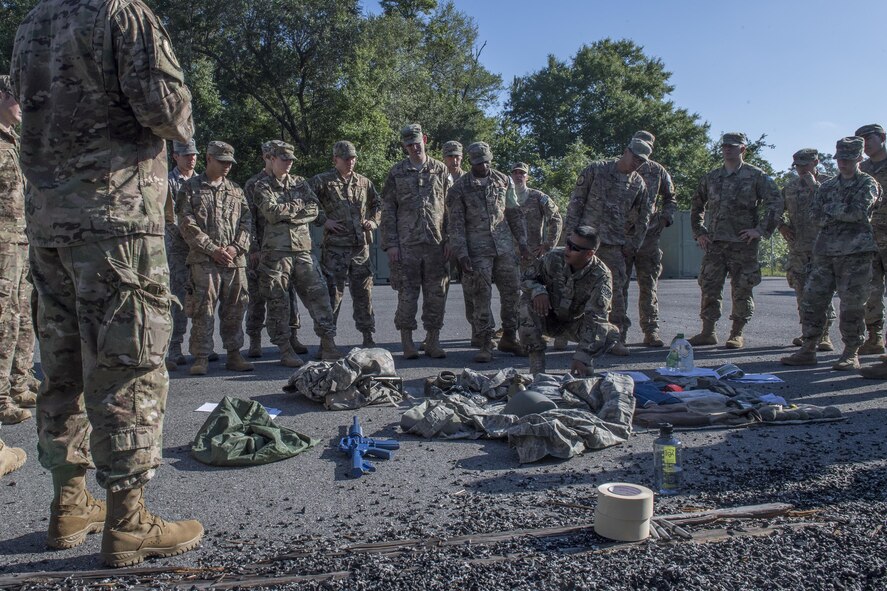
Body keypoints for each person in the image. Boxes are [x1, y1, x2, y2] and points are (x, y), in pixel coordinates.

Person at [11, 0, 203, 565]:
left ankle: (69, 504)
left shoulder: (32, 22)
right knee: (129, 366)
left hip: (49, 222)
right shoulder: (122, 13)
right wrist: (185, 121)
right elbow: (166, 109)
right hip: (116, 218)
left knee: (62, 364)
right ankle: (128, 520)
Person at [781, 137, 880, 370]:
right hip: (824, 252)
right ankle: (808, 348)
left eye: (847, 159)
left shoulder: (867, 183)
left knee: (852, 305)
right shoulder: (828, 186)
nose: (842, 163)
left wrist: (831, 211)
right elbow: (814, 216)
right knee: (812, 300)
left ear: (859, 158)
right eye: (839, 159)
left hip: (855, 254)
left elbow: (857, 212)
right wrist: (836, 211)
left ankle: (851, 351)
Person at [688, 132, 782, 349]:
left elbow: (775, 202)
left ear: (742, 149)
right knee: (709, 286)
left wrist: (760, 230)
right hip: (715, 243)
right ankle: (708, 331)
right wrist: (699, 232)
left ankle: (737, 333)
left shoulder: (756, 175)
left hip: (743, 244)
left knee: (742, 289)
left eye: (732, 146)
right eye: (724, 146)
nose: (727, 149)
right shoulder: (711, 177)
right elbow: (697, 205)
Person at [253, 142, 342, 365]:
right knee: (278, 302)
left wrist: (290, 212)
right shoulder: (261, 185)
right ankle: (285, 349)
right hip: (276, 253)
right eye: (284, 159)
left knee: (319, 296)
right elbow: (271, 214)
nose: (288, 163)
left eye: (291, 160)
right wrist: (297, 209)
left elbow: (314, 209)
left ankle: (328, 343)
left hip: (303, 250)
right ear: (272, 159)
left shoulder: (300, 182)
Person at [565, 137, 651, 356]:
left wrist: (633, 243)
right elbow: (576, 202)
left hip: (614, 244)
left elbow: (643, 218)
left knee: (616, 293)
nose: (636, 163)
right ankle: (563, 334)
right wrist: (570, 237)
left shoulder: (638, 183)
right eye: (635, 158)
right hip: (584, 242)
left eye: (641, 161)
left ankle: (616, 338)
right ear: (626, 151)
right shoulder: (596, 169)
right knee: (570, 287)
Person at [447, 142, 529, 362]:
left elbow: (513, 211)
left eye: (486, 161)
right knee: (480, 296)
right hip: (477, 250)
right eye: (478, 162)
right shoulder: (459, 189)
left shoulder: (503, 180)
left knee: (512, 293)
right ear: (470, 162)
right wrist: (462, 253)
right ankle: (485, 342)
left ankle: (510, 337)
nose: (483, 166)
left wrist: (521, 241)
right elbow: (455, 225)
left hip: (503, 247)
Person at [176, 141, 253, 375]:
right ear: (209, 159)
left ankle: (234, 354)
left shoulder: (236, 190)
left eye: (230, 162)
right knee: (202, 308)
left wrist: (235, 247)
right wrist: (212, 249)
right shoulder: (190, 188)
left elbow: (247, 223)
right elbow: (186, 224)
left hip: (233, 261)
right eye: (222, 162)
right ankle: (201, 357)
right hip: (204, 261)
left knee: (235, 308)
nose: (227, 166)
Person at [380, 124, 452, 359]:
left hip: (436, 244)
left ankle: (432, 340)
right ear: (404, 145)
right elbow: (388, 209)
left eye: (416, 142)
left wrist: (450, 239)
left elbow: (451, 207)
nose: (413, 147)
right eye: (408, 144)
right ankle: (407, 341)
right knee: (407, 295)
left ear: (425, 140)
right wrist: (391, 244)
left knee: (436, 295)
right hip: (407, 245)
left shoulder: (440, 170)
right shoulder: (396, 172)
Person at [519, 226, 619, 376]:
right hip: (548, 317)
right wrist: (538, 291)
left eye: (574, 248)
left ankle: (585, 366)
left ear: (589, 253)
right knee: (526, 302)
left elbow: (596, 317)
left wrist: (582, 356)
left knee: (610, 333)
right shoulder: (553, 258)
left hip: (575, 325)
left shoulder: (601, 276)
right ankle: (537, 367)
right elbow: (526, 278)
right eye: (567, 243)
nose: (567, 249)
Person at [310, 141, 380, 347]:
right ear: (335, 160)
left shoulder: (364, 182)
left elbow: (378, 203)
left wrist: (373, 221)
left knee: (364, 294)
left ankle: (368, 336)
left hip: (360, 249)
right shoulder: (322, 181)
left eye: (353, 158)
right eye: (346, 158)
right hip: (335, 249)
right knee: (332, 296)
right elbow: (306, 200)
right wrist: (323, 220)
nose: (351, 162)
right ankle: (327, 340)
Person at [243, 140, 309, 359]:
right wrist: (253, 249)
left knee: (287, 295)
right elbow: (248, 219)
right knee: (257, 297)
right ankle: (254, 339)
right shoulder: (254, 184)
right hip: (262, 248)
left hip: (285, 248)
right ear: (267, 158)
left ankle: (292, 336)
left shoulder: (292, 182)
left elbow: (310, 208)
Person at [0, 75, 36, 425]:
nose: (22, 106)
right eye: (17, 98)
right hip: (2, 246)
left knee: (22, 314)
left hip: (20, 242)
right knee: (3, 319)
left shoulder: (13, 142)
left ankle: (19, 382)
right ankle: (0, 400)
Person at [622, 131, 677, 347]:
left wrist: (665, 219)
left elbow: (670, 198)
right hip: (622, 237)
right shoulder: (620, 168)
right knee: (618, 286)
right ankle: (617, 332)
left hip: (648, 237)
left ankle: (651, 330)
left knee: (648, 285)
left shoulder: (658, 171)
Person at [779, 148, 834, 351]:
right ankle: (807, 333)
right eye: (798, 165)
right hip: (799, 249)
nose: (802, 169)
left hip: (824, 248)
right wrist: (782, 225)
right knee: (802, 292)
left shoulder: (830, 183)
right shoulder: (791, 187)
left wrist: (814, 186)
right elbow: (775, 209)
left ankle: (825, 336)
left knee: (823, 292)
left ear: (816, 162)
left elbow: (835, 206)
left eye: (806, 164)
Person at [164, 138, 198, 371]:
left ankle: (201, 345)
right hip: (179, 248)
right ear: (175, 156)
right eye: (186, 154)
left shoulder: (201, 182)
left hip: (201, 248)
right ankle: (175, 347)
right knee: (178, 298)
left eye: (194, 154)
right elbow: (169, 220)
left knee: (204, 297)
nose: (191, 157)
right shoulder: (168, 183)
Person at [854, 124, 887, 356]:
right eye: (861, 140)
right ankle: (874, 338)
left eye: (869, 138)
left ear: (882, 138)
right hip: (868, 239)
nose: (865, 143)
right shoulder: (860, 169)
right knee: (871, 290)